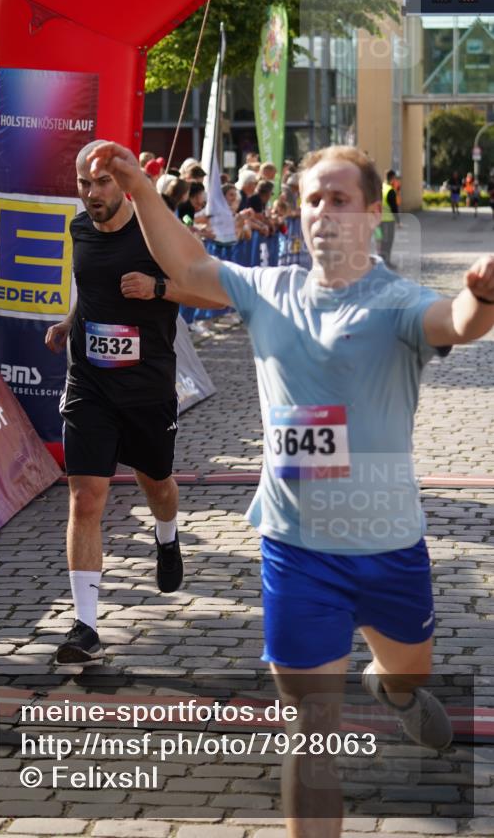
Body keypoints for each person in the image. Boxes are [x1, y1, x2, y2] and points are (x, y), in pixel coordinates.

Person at [85, 140, 494, 838]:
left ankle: (391, 688)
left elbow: (456, 322)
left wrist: (480, 293)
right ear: (296, 214)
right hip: (295, 548)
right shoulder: (268, 288)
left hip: (388, 546)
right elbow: (185, 263)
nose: (324, 213)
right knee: (311, 730)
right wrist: (136, 185)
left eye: (340, 200)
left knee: (408, 675)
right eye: (312, 199)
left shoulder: (395, 302)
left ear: (371, 213)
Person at [45, 140, 222, 665]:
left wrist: (160, 287)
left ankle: (167, 540)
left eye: (101, 183)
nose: (92, 194)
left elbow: (215, 292)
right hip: (89, 385)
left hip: (147, 388)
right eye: (83, 184)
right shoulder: (78, 229)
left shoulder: (154, 233)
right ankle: (85, 626)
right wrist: (70, 323)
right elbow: (91, 294)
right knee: (85, 496)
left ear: (121, 183)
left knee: (158, 484)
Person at [379, 168, 401, 267]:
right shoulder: (390, 190)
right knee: (388, 242)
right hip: (388, 220)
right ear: (392, 178)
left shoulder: (381, 188)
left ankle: (380, 262)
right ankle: (386, 262)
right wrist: (398, 221)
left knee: (381, 241)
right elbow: (394, 207)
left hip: (379, 220)